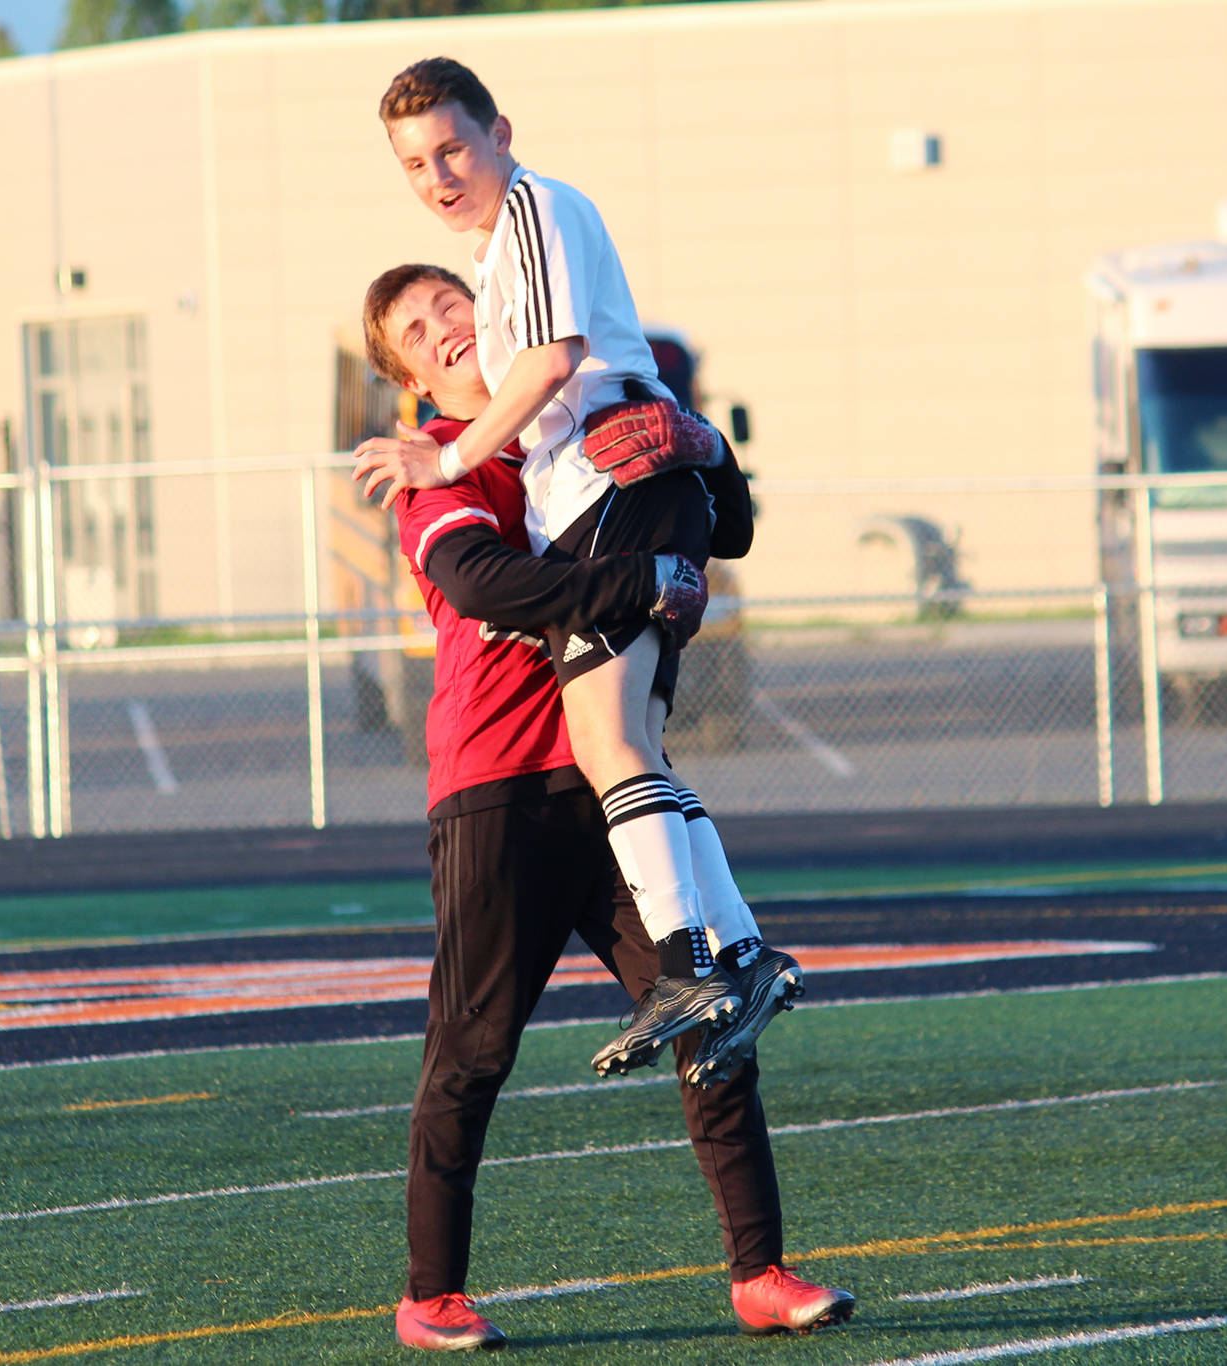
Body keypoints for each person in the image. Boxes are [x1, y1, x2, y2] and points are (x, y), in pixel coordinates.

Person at [365, 261, 855, 1350]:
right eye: (414, 327)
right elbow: (492, 586)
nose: (444, 326)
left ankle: (759, 1270)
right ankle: (428, 1293)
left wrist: (709, 453)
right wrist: (634, 586)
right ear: (403, 373)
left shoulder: (560, 430)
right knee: (471, 1050)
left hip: (609, 789)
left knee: (710, 1018)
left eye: (453, 303)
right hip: (496, 793)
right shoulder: (437, 473)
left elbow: (721, 530)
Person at [354, 58, 802, 1078]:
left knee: (608, 745)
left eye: (452, 147)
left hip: (612, 492)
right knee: (633, 744)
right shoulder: (504, 241)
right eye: (414, 163)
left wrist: (448, 453)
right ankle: (736, 953)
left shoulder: (529, 212)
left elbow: (555, 365)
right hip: (623, 494)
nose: (437, 174)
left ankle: (692, 963)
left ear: (500, 132)